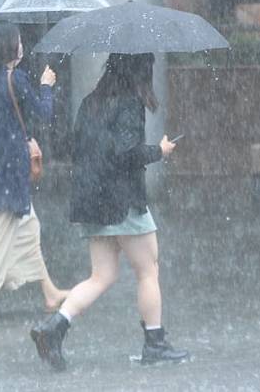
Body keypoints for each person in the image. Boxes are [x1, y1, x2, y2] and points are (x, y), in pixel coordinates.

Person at [30, 53, 189, 371]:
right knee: (148, 269)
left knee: (102, 276)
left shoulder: (92, 101)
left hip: (94, 200)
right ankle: (155, 344)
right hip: (122, 200)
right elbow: (126, 153)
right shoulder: (129, 102)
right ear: (139, 71)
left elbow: (79, 147)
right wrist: (160, 150)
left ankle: (55, 327)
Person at [0, 21, 68, 323]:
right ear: (10, 47)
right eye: (18, 41)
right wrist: (46, 86)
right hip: (9, 170)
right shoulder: (15, 79)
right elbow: (44, 113)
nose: (22, 45)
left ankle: (50, 292)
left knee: (29, 227)